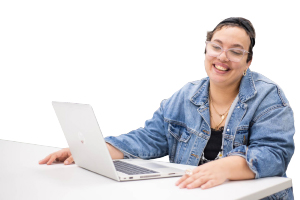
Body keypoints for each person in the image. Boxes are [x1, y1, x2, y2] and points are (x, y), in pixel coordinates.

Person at [39, 17, 295, 199]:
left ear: (248, 61)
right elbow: (149, 137)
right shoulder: (186, 95)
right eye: (216, 46)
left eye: (235, 52)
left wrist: (224, 167)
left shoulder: (268, 97)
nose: (222, 57)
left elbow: (275, 154)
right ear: (205, 49)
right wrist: (92, 149)